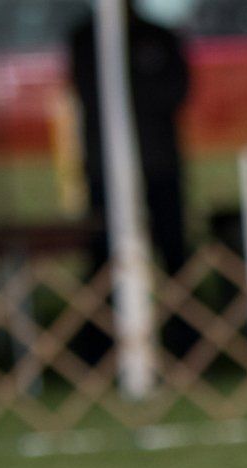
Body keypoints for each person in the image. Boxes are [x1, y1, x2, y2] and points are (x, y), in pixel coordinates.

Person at [67, 0, 191, 274]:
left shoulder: (160, 37)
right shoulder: (85, 38)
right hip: (105, 164)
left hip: (159, 160)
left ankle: (180, 313)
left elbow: (177, 91)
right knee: (103, 246)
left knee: (172, 243)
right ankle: (100, 314)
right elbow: (89, 93)